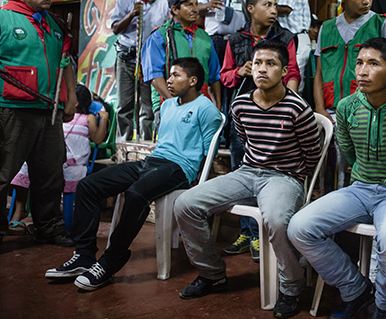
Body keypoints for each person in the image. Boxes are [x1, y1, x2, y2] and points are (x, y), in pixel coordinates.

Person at [288, 37, 386, 319]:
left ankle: (384, 306)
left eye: (373, 63)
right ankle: (356, 290)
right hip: (360, 189)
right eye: (359, 62)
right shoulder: (347, 108)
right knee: (299, 227)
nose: (362, 71)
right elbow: (347, 153)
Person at [45, 58, 222, 291]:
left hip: (179, 168)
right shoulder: (168, 105)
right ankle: (85, 255)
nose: (168, 80)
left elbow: (211, 150)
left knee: (137, 193)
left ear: (192, 81)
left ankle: (112, 259)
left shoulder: (206, 108)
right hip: (152, 162)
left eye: (175, 75)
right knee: (88, 185)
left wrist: (195, 179)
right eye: (169, 74)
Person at [174, 40, 321, 319]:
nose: (262, 69)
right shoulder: (240, 104)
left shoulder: (297, 109)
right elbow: (244, 139)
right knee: (185, 203)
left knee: (276, 220)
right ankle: (212, 272)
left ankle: (291, 286)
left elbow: (311, 154)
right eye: (257, 63)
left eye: (270, 64)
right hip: (247, 172)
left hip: (284, 176)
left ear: (284, 70)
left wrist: (292, 177)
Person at [219, 0, 302, 261]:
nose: (274, 10)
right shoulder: (235, 39)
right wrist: (239, 71)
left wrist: (287, 102)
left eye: (276, 4)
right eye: (267, 4)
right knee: (241, 171)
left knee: (270, 176)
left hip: (276, 118)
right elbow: (224, 76)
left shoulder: (285, 37)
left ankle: (264, 234)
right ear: (251, 9)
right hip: (245, 118)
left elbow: (293, 73)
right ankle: (248, 233)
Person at [0, 0, 77, 246]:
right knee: (2, 174)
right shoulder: (4, 19)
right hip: (10, 111)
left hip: (49, 112)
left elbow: (64, 61)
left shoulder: (55, 25)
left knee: (49, 175)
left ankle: (49, 228)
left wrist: (71, 95)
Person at [313, 0, 386, 189]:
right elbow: (318, 75)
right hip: (332, 115)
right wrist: (321, 111)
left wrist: (380, 113)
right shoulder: (326, 29)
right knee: (330, 179)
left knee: (364, 178)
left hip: (370, 115)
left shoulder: (383, 25)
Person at [8, 84, 109, 233]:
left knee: (52, 172)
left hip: (74, 161)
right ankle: (20, 209)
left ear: (75, 103)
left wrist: (104, 119)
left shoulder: (88, 118)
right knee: (24, 167)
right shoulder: (60, 117)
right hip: (54, 156)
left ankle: (47, 218)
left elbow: (98, 140)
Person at [141, 0, 222, 130]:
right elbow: (155, 77)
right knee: (172, 150)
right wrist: (175, 104)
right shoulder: (159, 36)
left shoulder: (205, 37)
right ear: (175, 9)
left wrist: (217, 108)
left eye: (196, 4)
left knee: (202, 150)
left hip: (201, 106)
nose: (195, 9)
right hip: (168, 105)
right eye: (189, 5)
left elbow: (214, 77)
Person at [109, 0, 169, 142]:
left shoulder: (163, 5)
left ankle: (145, 144)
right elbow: (115, 29)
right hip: (127, 57)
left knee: (148, 105)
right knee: (124, 104)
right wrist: (131, 14)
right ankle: (123, 145)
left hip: (150, 61)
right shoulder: (126, 1)